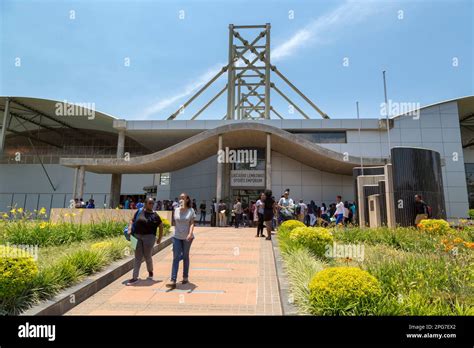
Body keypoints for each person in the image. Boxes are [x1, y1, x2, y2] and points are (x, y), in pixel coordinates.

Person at [126, 198, 164, 286]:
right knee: (137, 257)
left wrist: (159, 238)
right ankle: (135, 278)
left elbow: (161, 226)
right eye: (150, 203)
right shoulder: (139, 211)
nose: (151, 205)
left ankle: (150, 272)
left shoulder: (155, 215)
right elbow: (132, 220)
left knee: (147, 256)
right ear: (145, 204)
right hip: (136, 236)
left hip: (149, 238)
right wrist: (130, 228)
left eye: (152, 203)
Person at [166, 192, 195, 289]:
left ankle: (185, 277)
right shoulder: (176, 210)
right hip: (177, 237)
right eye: (180, 198)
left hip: (187, 237)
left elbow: (191, 223)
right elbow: (175, 223)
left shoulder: (191, 210)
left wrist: (190, 233)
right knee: (176, 257)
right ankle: (173, 280)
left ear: (187, 199)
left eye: (183, 198)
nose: (181, 199)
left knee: (185, 256)